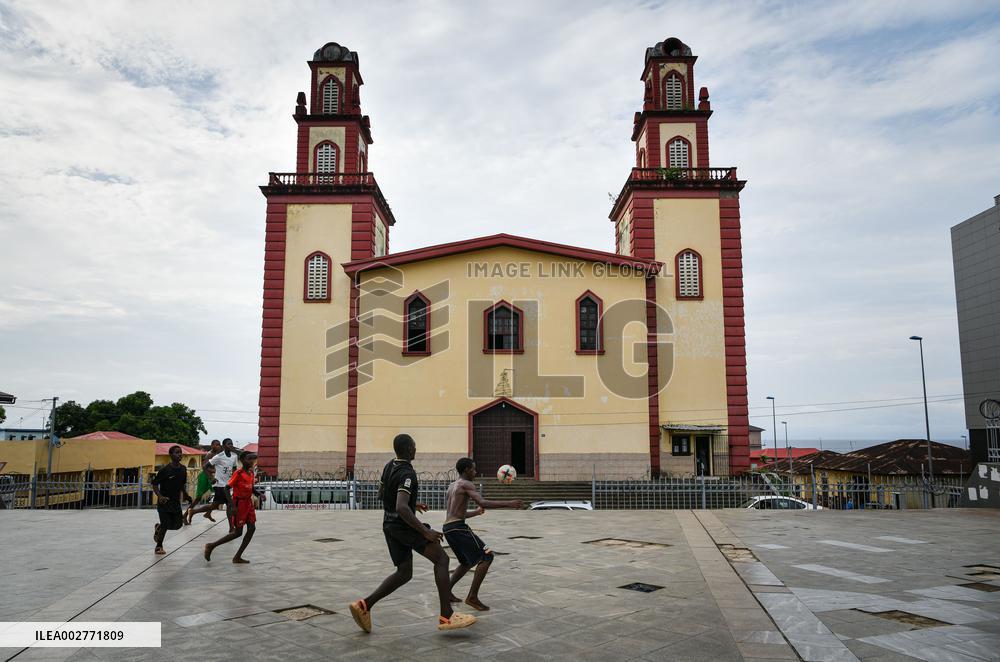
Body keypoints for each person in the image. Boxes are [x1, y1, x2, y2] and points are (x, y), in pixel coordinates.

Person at [349, 434, 476, 633]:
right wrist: (425, 531)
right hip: (403, 526)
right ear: (409, 449)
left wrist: (412, 503)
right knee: (442, 559)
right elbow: (401, 507)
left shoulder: (389, 466)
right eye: (414, 446)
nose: (416, 449)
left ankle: (364, 605)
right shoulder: (408, 473)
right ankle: (447, 615)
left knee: (404, 572)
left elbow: (383, 495)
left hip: (389, 524)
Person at [444, 458, 523, 611]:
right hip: (459, 528)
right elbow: (483, 502)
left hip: (448, 528)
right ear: (466, 470)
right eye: (473, 469)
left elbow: (456, 514)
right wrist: (509, 503)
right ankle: (472, 597)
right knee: (487, 556)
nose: (475, 472)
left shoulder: (452, 486)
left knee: (466, 563)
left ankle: (447, 592)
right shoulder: (467, 484)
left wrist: (476, 512)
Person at [204, 451, 260, 563]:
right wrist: (232, 505)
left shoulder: (251, 473)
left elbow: (251, 487)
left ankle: (237, 556)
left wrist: (259, 494)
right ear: (242, 460)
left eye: (253, 460)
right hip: (239, 504)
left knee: (252, 528)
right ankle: (211, 546)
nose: (251, 462)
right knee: (238, 532)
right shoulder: (238, 473)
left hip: (248, 504)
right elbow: (226, 488)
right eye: (249, 459)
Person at [151, 445, 192, 555]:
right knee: (165, 524)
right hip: (164, 502)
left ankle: (159, 527)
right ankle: (159, 546)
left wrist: (186, 495)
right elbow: (154, 484)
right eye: (177, 452)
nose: (180, 454)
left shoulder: (183, 469)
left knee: (178, 525)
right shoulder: (164, 470)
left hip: (175, 502)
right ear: (171, 455)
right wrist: (160, 496)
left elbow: (182, 484)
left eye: (180, 452)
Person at [208, 438, 239, 530]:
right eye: (229, 444)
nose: (231, 445)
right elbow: (205, 466)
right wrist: (211, 478)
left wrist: (234, 478)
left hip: (228, 485)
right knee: (229, 504)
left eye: (231, 443)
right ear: (224, 446)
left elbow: (234, 468)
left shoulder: (234, 456)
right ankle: (231, 527)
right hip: (219, 484)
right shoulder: (219, 456)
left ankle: (194, 511)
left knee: (216, 505)